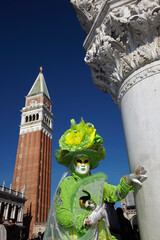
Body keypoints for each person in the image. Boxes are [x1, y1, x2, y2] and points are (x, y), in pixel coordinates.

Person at [44, 119, 147, 240]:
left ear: (90, 163)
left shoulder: (97, 183)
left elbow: (115, 193)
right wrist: (86, 220)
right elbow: (62, 214)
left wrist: (128, 179)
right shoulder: (67, 183)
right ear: (73, 163)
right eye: (79, 161)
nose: (82, 164)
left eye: (85, 161)